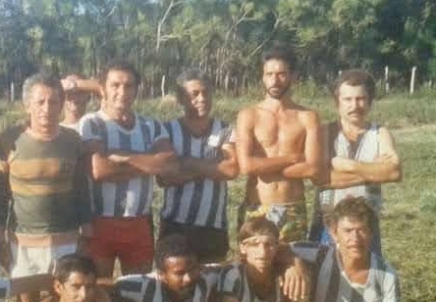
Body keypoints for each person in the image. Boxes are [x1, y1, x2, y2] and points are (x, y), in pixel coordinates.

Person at [0, 73, 92, 302]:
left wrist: (86, 229)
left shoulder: (73, 140)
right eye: (40, 102)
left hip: (65, 240)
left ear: (62, 103)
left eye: (53, 101)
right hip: (23, 242)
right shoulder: (9, 140)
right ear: (27, 105)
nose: (47, 108)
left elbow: (81, 188)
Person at [79, 59, 177, 278]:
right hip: (100, 221)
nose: (122, 92)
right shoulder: (92, 123)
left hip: (139, 222)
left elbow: (169, 164)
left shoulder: (151, 125)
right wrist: (149, 163)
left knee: (138, 290)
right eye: (115, 85)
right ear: (102, 89)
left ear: (136, 90)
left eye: (129, 85)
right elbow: (99, 170)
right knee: (99, 288)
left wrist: (123, 156)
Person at [235, 44, 323, 243]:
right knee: (254, 270)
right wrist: (292, 158)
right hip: (256, 207)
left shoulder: (308, 117)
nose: (275, 80)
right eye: (269, 74)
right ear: (262, 76)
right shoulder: (248, 115)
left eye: (281, 74)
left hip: (292, 207)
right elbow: (246, 165)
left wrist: (263, 166)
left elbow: (313, 169)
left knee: (293, 269)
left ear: (293, 76)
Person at [310, 70, 401, 255]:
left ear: (370, 101)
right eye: (347, 99)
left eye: (360, 98)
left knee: (365, 279)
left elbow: (394, 173)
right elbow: (319, 178)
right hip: (328, 225)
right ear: (337, 103)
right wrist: (373, 172)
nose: (355, 105)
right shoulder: (325, 133)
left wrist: (347, 165)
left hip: (365, 226)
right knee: (325, 279)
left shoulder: (380, 133)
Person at [158, 69, 239, 264]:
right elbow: (165, 177)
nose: (202, 98)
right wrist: (212, 168)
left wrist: (188, 162)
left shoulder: (225, 129)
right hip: (175, 225)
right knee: (175, 286)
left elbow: (231, 170)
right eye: (194, 94)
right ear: (180, 98)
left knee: (212, 285)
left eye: (206, 92)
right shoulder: (166, 130)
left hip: (213, 227)